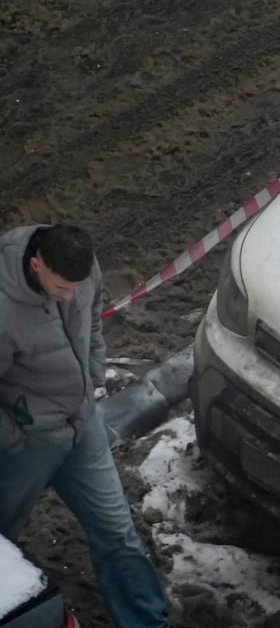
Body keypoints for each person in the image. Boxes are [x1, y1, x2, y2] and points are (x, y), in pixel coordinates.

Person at [0, 223, 169, 628]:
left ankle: (146, 623)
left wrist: (92, 377)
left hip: (81, 428)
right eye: (61, 287)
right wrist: (14, 436)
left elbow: (92, 322)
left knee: (119, 534)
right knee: (1, 544)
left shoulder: (81, 267)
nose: (69, 295)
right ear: (36, 264)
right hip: (26, 446)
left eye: (76, 285)